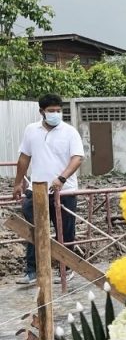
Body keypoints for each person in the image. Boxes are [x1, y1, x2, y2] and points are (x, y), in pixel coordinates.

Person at [13, 94, 84, 287]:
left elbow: (77, 158)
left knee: (65, 231)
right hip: (37, 190)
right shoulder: (31, 130)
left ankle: (66, 269)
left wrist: (62, 178)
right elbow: (24, 158)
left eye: (58, 110)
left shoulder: (69, 132)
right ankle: (32, 271)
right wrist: (18, 182)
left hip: (65, 191)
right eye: (51, 111)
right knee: (35, 231)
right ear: (41, 112)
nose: (55, 114)